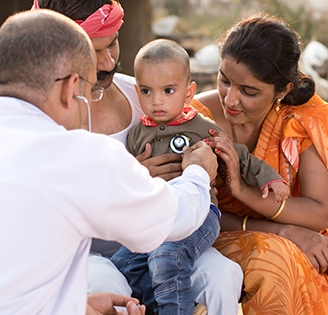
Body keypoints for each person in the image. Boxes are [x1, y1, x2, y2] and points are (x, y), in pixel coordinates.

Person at [0, 9, 219, 315]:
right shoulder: (73, 155)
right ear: (71, 89)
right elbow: (176, 218)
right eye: (88, 92)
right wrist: (197, 170)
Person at [33, 1, 244, 313]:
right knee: (109, 285)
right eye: (94, 51)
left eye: (113, 43)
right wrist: (131, 182)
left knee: (223, 276)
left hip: (157, 238)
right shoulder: (42, 116)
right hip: (81, 252)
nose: (107, 61)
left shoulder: (143, 95)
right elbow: (44, 213)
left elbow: (199, 146)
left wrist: (202, 170)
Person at [192, 13, 328, 315]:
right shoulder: (194, 119)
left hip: (289, 223)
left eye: (249, 91)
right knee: (277, 258)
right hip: (216, 232)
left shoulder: (302, 116)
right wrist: (283, 232)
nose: (231, 100)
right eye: (225, 80)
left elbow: (320, 212)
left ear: (283, 91)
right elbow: (193, 215)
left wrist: (245, 193)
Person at [110, 39, 288, 315]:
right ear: (137, 91)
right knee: (123, 264)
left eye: (168, 91)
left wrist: (268, 178)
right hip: (155, 216)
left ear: (189, 92)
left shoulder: (201, 127)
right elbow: (124, 183)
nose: (157, 101)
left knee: (166, 256)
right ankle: (177, 306)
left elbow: (239, 154)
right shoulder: (137, 135)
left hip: (200, 215)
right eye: (146, 91)